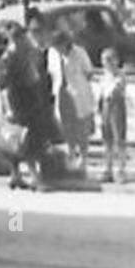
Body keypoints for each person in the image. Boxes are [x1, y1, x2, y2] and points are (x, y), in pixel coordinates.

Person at [0, 21, 49, 190]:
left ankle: (16, 175)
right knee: (24, 138)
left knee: (19, 138)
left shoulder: (26, 53)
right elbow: (3, 84)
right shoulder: (10, 57)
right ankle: (33, 176)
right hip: (19, 100)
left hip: (28, 99)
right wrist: (8, 107)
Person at [49, 26, 95, 174]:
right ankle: (71, 154)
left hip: (78, 94)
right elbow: (51, 74)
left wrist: (79, 83)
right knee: (65, 126)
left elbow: (89, 73)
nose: (58, 49)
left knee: (81, 127)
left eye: (60, 45)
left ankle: (83, 158)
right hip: (61, 93)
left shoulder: (79, 53)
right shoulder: (52, 54)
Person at [96, 47, 128, 184]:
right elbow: (101, 94)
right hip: (105, 107)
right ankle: (107, 169)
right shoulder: (104, 76)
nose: (107, 63)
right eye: (104, 60)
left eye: (109, 60)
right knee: (107, 139)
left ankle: (121, 170)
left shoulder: (120, 75)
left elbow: (116, 90)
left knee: (119, 139)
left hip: (116, 106)